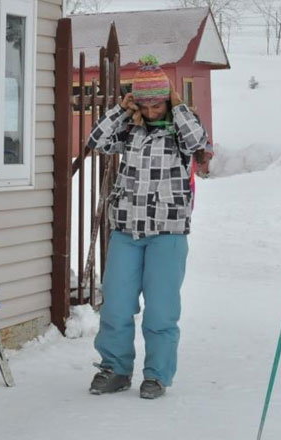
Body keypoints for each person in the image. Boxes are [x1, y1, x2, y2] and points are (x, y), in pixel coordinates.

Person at [85, 55, 208, 399]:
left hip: (168, 234)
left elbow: (199, 142)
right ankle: (115, 368)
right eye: (145, 101)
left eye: (158, 101)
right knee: (116, 305)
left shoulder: (181, 131)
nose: (152, 108)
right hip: (127, 230)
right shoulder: (130, 130)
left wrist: (178, 106)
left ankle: (156, 374)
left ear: (167, 99)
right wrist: (123, 110)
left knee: (161, 310)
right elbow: (95, 140)